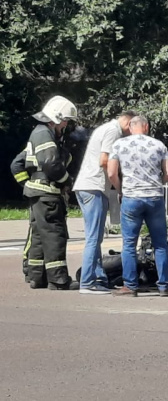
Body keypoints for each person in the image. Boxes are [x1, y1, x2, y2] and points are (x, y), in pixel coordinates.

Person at [108, 115, 168, 297]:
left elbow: (111, 172)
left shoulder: (119, 145)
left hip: (131, 198)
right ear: (146, 127)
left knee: (129, 244)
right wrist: (156, 182)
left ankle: (130, 286)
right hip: (155, 198)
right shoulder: (159, 145)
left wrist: (121, 189)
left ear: (130, 126)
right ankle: (164, 286)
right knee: (160, 244)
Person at [72, 111, 137, 294]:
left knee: (95, 237)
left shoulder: (105, 128)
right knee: (94, 238)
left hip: (87, 187)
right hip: (95, 187)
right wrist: (119, 186)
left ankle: (99, 278)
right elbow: (104, 161)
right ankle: (87, 282)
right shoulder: (113, 132)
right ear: (128, 123)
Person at [23, 96, 80, 290]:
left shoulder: (38, 132)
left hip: (37, 192)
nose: (65, 125)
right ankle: (58, 279)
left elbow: (20, 164)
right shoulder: (44, 134)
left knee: (39, 235)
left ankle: (36, 276)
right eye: (64, 120)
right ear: (55, 118)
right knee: (55, 234)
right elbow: (50, 164)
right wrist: (66, 181)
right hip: (48, 193)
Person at [9, 148, 33, 281]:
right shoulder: (38, 142)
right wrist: (27, 185)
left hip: (50, 197)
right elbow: (16, 165)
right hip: (39, 195)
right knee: (35, 231)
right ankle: (27, 263)